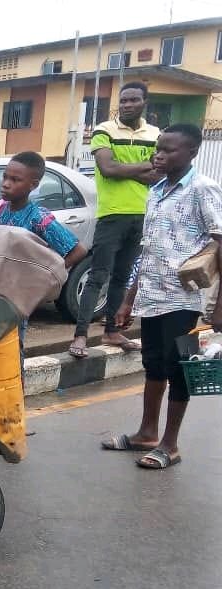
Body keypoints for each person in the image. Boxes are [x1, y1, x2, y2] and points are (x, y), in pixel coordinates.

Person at [102, 124, 222, 469]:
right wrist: (128, 300)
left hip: (185, 298)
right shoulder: (156, 190)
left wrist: (220, 306)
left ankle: (170, 445)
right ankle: (146, 433)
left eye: (169, 150)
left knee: (178, 367)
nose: (160, 154)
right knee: (153, 364)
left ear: (192, 153)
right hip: (152, 295)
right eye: (159, 148)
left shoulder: (203, 189)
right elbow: (150, 250)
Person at [69, 82, 162, 359]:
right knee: (98, 276)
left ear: (144, 102)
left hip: (142, 214)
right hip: (111, 214)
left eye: (133, 100)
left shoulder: (155, 134)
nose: (127, 105)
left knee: (122, 277)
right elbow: (107, 168)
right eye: (123, 101)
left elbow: (158, 175)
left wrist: (125, 170)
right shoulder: (104, 130)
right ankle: (81, 335)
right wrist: (144, 166)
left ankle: (112, 330)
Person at [0, 151, 89, 360]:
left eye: (15, 180)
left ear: (33, 185)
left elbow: (78, 251)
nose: (6, 184)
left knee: (14, 349)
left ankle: (17, 390)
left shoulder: (39, 218)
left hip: (20, 296)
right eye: (5, 177)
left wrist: (43, 280)